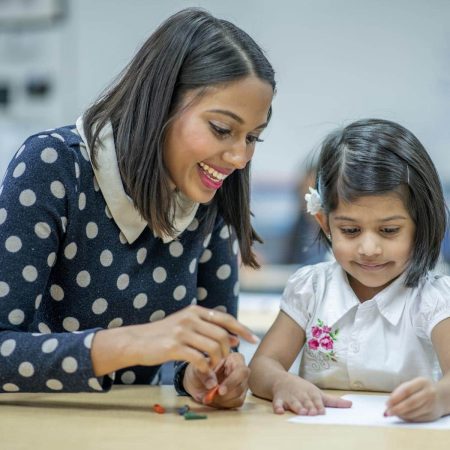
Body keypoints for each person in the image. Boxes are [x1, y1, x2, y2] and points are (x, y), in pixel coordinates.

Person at [0, 7, 275, 409]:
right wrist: (132, 343)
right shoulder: (53, 165)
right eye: (221, 129)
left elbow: (201, 355)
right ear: (161, 103)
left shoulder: (208, 197)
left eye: (253, 137)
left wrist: (204, 375)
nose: (239, 157)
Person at [249, 118, 450, 422]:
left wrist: (439, 398)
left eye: (389, 230)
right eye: (351, 230)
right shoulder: (311, 288)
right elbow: (263, 365)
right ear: (324, 223)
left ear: (421, 226)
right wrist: (281, 381)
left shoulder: (434, 298)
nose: (369, 248)